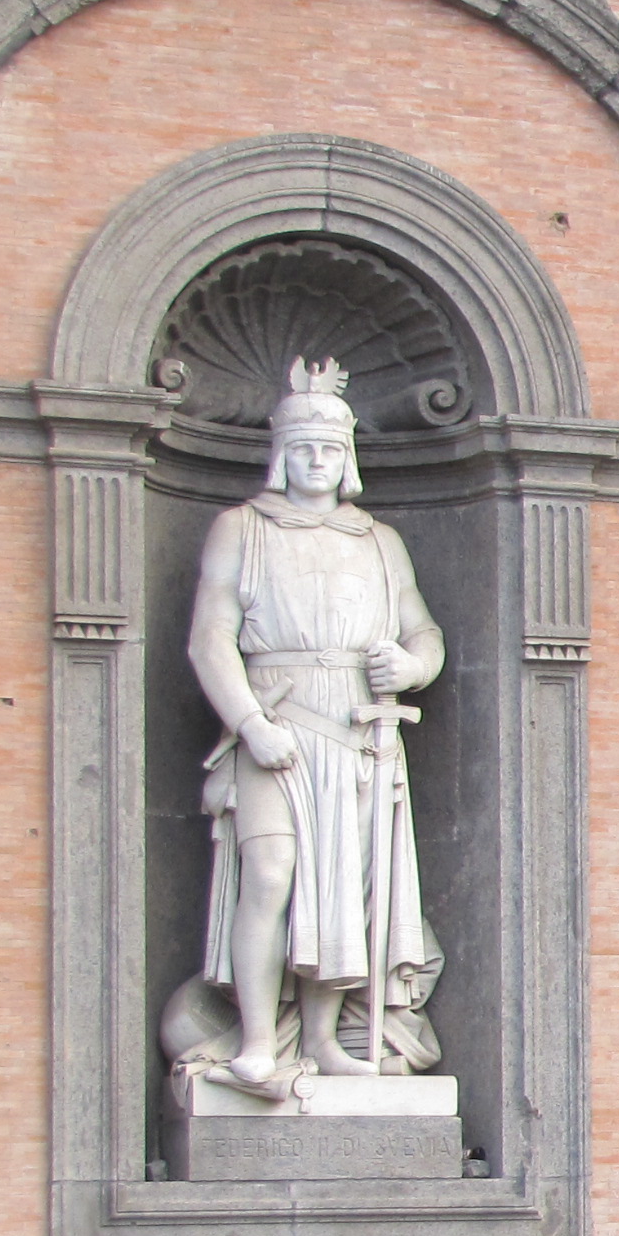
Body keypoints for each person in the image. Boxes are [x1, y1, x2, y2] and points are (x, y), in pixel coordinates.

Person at [185, 360, 445, 1096]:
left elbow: (424, 633)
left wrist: (412, 666)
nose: (317, 461)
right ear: (281, 454)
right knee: (271, 876)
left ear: (348, 456)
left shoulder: (379, 541)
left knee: (342, 893)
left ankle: (324, 1040)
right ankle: (258, 1043)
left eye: (330, 448)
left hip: (358, 732)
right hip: (277, 724)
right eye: (303, 448)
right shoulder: (242, 529)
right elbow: (210, 640)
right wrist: (249, 723)